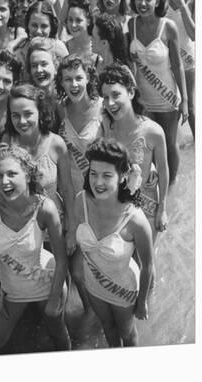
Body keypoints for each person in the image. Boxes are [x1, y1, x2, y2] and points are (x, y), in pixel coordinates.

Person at [0, 143, 71, 354]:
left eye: (12, 174)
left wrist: (54, 299)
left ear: (28, 176)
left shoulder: (45, 208)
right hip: (13, 292)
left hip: (47, 285)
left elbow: (62, 259)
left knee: (57, 334)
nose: (5, 181)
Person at [75, 137, 154, 347]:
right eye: (93, 174)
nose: (98, 182)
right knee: (108, 331)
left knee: (127, 335)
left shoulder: (136, 220)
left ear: (122, 177)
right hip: (93, 285)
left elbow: (148, 266)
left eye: (107, 175)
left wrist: (142, 304)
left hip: (124, 289)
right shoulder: (80, 201)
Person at [98, 63, 169, 239]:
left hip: (147, 209)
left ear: (130, 92)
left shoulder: (153, 131)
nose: (110, 103)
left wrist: (163, 209)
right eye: (105, 98)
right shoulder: (105, 128)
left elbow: (163, 170)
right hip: (117, 208)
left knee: (146, 264)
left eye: (115, 95)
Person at [129, 0, 188, 185]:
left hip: (167, 97)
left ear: (158, 1)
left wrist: (186, 102)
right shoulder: (131, 24)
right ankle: (151, 188)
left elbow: (178, 65)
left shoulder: (168, 27)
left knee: (169, 145)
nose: (142, 3)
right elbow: (131, 64)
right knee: (146, 147)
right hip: (142, 99)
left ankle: (171, 187)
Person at [55, 54, 102, 311]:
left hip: (102, 198)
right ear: (60, 82)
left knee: (106, 263)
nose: (74, 84)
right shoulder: (59, 110)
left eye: (78, 78)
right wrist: (71, 226)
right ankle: (90, 315)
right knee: (78, 274)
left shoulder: (104, 107)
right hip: (73, 197)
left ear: (88, 78)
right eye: (67, 79)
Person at [3, 83, 72, 226]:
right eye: (15, 115)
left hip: (54, 226)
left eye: (28, 114)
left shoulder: (57, 144)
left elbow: (67, 190)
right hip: (20, 227)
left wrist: (71, 229)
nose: (22, 121)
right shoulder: (7, 141)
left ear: (40, 112)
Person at [167, 0, 195, 138]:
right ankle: (170, 147)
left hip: (187, 58)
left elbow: (194, 34)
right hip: (167, 60)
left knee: (190, 107)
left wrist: (183, 6)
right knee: (171, 106)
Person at [14, 0, 68, 80]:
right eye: (34, 25)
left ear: (51, 27)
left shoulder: (59, 48)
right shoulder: (20, 53)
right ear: (27, 25)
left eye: (44, 26)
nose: (38, 31)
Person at [63, 0, 99, 67]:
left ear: (88, 21)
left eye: (78, 20)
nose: (73, 25)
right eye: (70, 20)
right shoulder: (64, 48)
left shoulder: (98, 46)